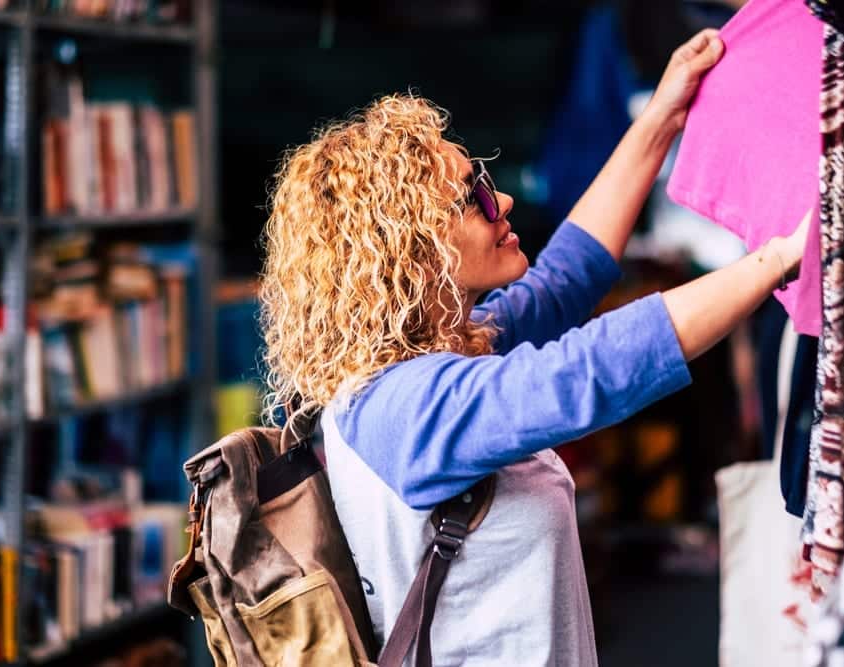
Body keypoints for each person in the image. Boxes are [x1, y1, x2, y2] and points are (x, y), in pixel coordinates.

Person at [259, 28, 808, 667]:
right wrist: (781, 256)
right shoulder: (402, 407)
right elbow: (589, 370)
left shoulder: (439, 359)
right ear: (409, 248)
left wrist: (663, 115)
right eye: (473, 196)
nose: (505, 202)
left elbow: (567, 276)